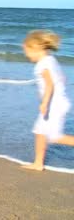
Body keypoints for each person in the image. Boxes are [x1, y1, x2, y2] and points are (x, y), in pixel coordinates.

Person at [21, 30, 74, 171]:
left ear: (35, 48)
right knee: (40, 131)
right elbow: (61, 78)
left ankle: (38, 163)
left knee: (55, 137)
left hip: (54, 105)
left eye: (26, 51)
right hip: (58, 103)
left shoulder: (42, 65)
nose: (26, 55)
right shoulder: (51, 60)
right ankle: (38, 163)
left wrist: (44, 102)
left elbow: (49, 84)